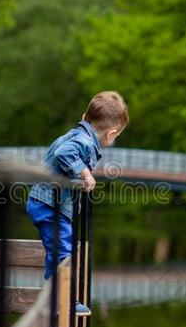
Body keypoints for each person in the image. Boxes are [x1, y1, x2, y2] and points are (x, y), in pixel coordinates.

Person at [26, 91, 129, 283]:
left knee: (61, 249)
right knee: (63, 252)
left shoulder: (77, 136)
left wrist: (77, 180)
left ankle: (55, 292)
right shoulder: (85, 142)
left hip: (46, 203)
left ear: (84, 117)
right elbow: (62, 153)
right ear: (112, 133)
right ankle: (60, 298)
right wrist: (85, 173)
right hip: (49, 206)